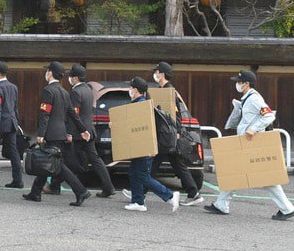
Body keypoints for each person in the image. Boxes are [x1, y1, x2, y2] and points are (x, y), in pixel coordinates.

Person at [204, 70, 294, 221]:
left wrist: (253, 129)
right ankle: (221, 204)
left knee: (264, 178)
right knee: (236, 171)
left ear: (246, 84)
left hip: (251, 143)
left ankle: (287, 209)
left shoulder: (254, 99)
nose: (237, 84)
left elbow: (269, 115)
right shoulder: (247, 98)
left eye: (239, 82)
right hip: (245, 142)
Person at [22, 62, 91, 206]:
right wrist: (83, 129)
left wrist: (41, 133)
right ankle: (35, 192)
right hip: (61, 133)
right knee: (47, 162)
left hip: (51, 134)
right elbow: (72, 114)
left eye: (47, 71)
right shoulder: (65, 92)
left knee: (58, 166)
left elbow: (45, 114)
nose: (46, 73)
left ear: (51, 73)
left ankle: (81, 191)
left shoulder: (48, 90)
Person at [148, 61, 203, 206]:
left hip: (168, 134)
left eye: (157, 72)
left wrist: (177, 131)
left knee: (155, 163)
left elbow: (176, 115)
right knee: (178, 165)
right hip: (166, 134)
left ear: (162, 74)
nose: (155, 74)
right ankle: (193, 193)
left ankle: (138, 192)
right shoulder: (162, 89)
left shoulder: (169, 91)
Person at [123, 76, 180, 212]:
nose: (129, 90)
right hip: (140, 147)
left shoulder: (141, 105)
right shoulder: (141, 103)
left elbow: (144, 128)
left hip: (144, 147)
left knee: (142, 175)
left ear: (136, 90)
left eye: (131, 87)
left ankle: (170, 196)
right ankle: (138, 202)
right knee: (133, 173)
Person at [67, 64, 115, 197]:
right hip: (90, 129)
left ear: (75, 78)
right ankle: (108, 187)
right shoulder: (88, 89)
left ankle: (58, 185)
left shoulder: (75, 92)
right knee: (95, 160)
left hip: (80, 132)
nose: (69, 78)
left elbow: (74, 115)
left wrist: (70, 132)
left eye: (70, 76)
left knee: (68, 159)